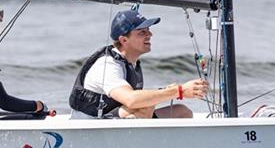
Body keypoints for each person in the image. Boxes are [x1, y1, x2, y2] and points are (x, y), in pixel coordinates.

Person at [70, 9, 208, 119]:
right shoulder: (107, 65)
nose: (150, 34)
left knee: (181, 112)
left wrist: (166, 92)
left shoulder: (131, 62)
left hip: (112, 120)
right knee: (144, 107)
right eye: (142, 32)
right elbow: (131, 100)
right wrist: (179, 91)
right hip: (92, 130)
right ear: (124, 40)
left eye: (148, 30)